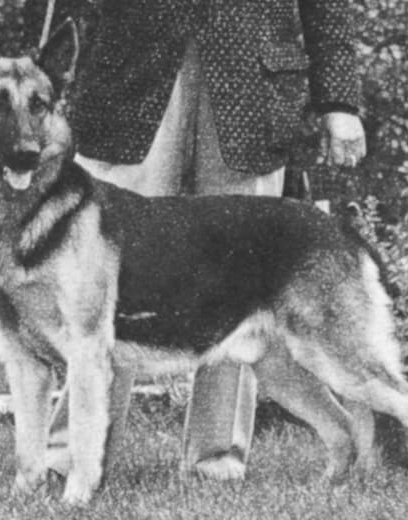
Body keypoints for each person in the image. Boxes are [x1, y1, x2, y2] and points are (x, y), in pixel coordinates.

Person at [40, 0, 367, 480]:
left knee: (243, 280)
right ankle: (71, 459)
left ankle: (217, 460)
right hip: (129, 72)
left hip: (254, 82)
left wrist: (338, 101)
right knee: (98, 276)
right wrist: (40, 72)